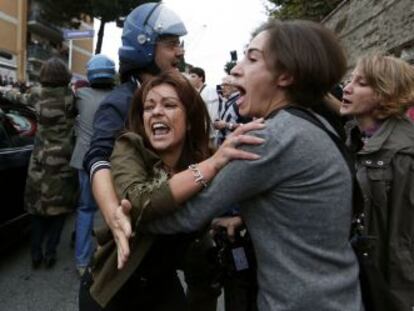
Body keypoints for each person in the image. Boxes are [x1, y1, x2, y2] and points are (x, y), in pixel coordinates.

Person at [115, 20, 363, 310]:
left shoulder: (269, 137)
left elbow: (188, 215)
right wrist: (248, 217)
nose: (235, 69)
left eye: (252, 57)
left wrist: (122, 216)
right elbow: (304, 208)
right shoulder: (314, 122)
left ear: (285, 75)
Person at [79, 71, 264, 310]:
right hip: (112, 292)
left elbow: (198, 219)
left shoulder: (201, 157)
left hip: (162, 287)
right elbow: (139, 201)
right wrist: (212, 165)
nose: (156, 112)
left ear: (188, 120)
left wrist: (229, 218)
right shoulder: (129, 146)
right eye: (149, 107)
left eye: (169, 105)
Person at [81, 3, 220, 310]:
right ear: (144, 45)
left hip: (164, 268)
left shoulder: (183, 97)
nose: (179, 53)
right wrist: (114, 214)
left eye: (170, 105)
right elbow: (98, 159)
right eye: (171, 45)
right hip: (126, 275)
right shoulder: (120, 103)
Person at [340, 54, 414, 311]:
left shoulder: (404, 154)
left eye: (361, 83)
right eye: (350, 80)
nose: (347, 88)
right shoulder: (357, 137)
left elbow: (402, 240)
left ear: (385, 94)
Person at [24, 57, 78, 269]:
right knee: (60, 210)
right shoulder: (70, 97)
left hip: (39, 161)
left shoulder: (37, 94)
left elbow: (15, 95)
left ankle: (35, 253)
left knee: (37, 209)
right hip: (64, 161)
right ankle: (50, 253)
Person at [70, 54, 116, 276]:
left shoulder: (80, 95)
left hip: (84, 161)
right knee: (112, 211)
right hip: (110, 161)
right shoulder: (119, 97)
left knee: (85, 209)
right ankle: (107, 257)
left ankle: (81, 262)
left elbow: (71, 117)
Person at [214, 75, 252, 146]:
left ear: (235, 87)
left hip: (237, 146)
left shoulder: (242, 101)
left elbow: (249, 126)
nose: (222, 87)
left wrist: (226, 125)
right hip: (225, 144)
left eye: (225, 85)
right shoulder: (226, 101)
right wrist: (217, 123)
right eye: (222, 85)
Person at [188, 67, 220, 145]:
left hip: (208, 135)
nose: (190, 78)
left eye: (193, 76)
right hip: (199, 132)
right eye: (189, 76)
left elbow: (211, 114)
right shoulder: (196, 92)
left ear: (201, 78)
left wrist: (205, 132)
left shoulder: (209, 91)